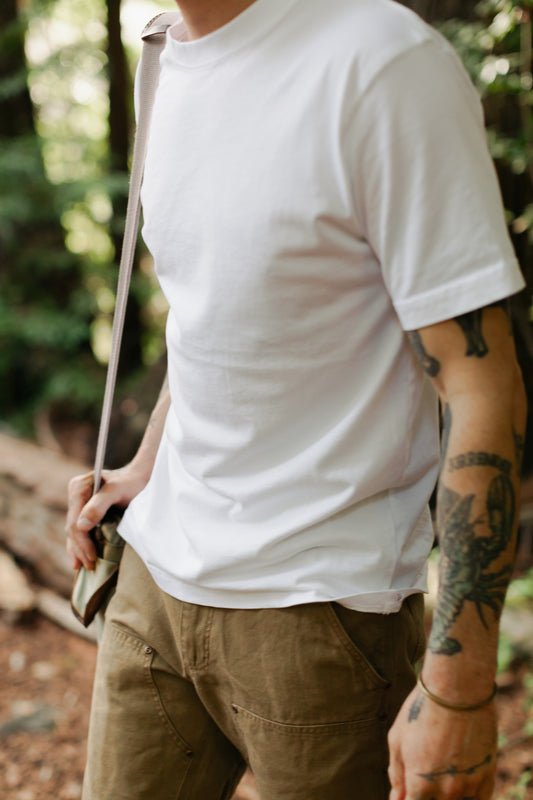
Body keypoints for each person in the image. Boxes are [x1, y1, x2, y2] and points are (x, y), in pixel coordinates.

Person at [65, 0, 527, 798]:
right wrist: (146, 464)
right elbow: (222, 301)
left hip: (319, 613)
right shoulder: (161, 50)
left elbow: (480, 382)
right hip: (155, 579)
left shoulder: (379, 63)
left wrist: (459, 687)